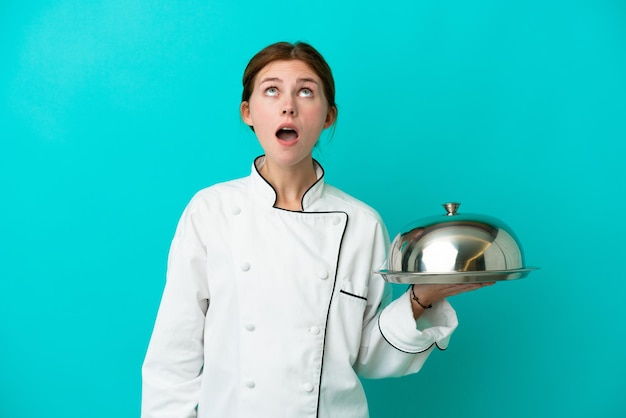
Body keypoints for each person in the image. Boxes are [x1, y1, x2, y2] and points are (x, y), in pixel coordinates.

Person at [141, 41, 491, 418]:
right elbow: (172, 358)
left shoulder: (362, 223)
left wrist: (420, 299)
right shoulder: (211, 211)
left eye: (306, 91)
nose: (288, 104)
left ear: (328, 116)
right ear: (248, 112)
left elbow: (369, 358)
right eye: (271, 90)